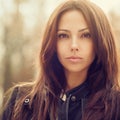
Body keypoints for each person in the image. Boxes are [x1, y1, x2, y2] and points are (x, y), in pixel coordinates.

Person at [1, 0, 120, 120]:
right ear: (52, 42)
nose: (74, 45)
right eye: (63, 35)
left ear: (101, 41)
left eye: (86, 35)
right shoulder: (22, 102)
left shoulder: (116, 106)